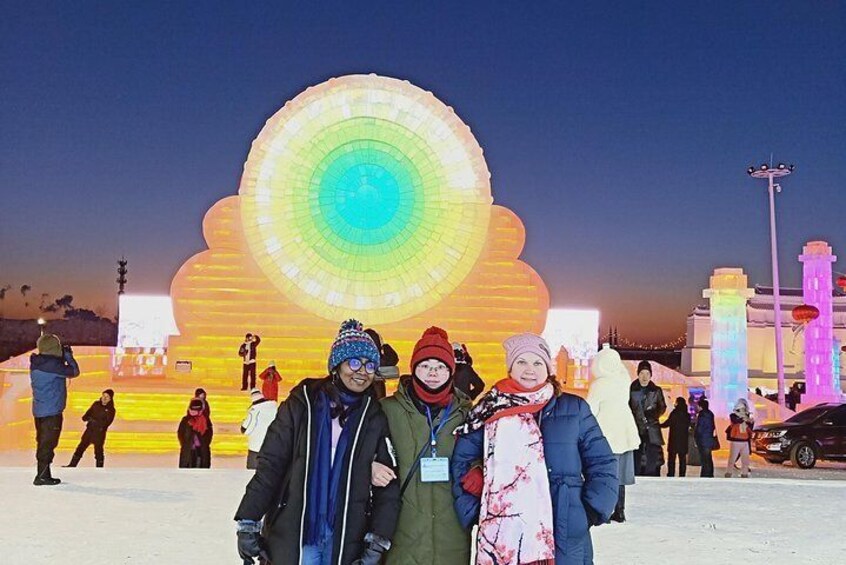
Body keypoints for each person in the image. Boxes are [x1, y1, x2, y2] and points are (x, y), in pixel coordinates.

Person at [234, 319, 401, 565]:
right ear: (336, 365)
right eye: (354, 362)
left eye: (369, 365)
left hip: (346, 537)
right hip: (296, 531)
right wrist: (248, 521)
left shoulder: (372, 415)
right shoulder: (302, 404)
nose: (361, 372)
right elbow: (272, 464)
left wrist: (377, 542)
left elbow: (388, 485)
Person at [452, 333, 618, 565]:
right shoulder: (488, 409)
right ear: (510, 367)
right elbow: (461, 460)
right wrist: (476, 509)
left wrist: (590, 510)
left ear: (548, 368)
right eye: (521, 362)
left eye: (537, 362)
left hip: (564, 525)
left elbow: (602, 462)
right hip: (504, 533)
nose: (530, 369)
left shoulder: (574, 408)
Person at [374, 327, 473, 564]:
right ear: (413, 368)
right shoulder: (387, 409)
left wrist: (478, 469)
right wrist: (370, 466)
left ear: (451, 371)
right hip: (403, 534)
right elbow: (359, 449)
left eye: (440, 367)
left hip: (453, 536)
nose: (432, 373)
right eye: (425, 366)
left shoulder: (467, 413)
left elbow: (485, 455)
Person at [586, 344, 640, 522]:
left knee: (606, 473)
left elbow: (590, 409)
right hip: (624, 431)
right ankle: (620, 510)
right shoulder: (623, 379)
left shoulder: (600, 384)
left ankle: (607, 511)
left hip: (606, 432)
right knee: (621, 475)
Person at [30, 333, 80, 485]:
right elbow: (74, 372)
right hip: (52, 412)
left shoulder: (38, 362)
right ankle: (42, 476)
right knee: (48, 444)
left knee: (43, 442)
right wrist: (68, 356)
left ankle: (43, 474)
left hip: (39, 410)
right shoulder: (53, 366)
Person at [629, 360, 667, 476]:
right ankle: (636, 473)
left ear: (650, 375)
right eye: (642, 373)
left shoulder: (656, 390)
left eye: (647, 374)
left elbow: (662, 406)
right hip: (636, 426)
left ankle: (651, 473)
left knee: (653, 452)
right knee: (636, 452)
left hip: (652, 426)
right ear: (638, 374)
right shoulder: (631, 390)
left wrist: (654, 414)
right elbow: (627, 406)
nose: (644, 377)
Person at [65, 389, 116, 468]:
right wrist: (87, 418)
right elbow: (87, 415)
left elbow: (107, 423)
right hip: (89, 431)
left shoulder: (111, 410)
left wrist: (96, 423)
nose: (104, 398)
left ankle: (99, 468)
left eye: (107, 397)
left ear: (110, 399)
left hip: (99, 433)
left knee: (98, 451)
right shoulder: (96, 404)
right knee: (80, 448)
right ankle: (72, 465)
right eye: (103, 396)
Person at [241, 389, 277, 469]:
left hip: (256, 447)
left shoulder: (254, 411)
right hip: (272, 446)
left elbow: (245, 429)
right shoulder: (274, 408)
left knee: (252, 472)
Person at [364, 328, 400, 400]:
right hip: (377, 395)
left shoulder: (357, 359)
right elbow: (393, 359)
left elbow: (394, 359)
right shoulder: (380, 360)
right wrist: (385, 346)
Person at [660, 397, 691, 477]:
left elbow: (667, 423)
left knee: (671, 459)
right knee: (682, 459)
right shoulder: (687, 415)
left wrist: (658, 425)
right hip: (683, 440)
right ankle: (682, 474)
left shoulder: (674, 413)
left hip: (674, 439)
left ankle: (671, 473)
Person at [178, 398, 213, 468]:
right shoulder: (186, 420)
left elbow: (209, 434)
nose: (193, 412)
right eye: (192, 409)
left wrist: (204, 443)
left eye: (196, 410)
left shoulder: (205, 421)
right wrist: (186, 444)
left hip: (201, 451)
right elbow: (180, 434)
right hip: (188, 451)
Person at [725, 398, 754, 478]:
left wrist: (749, 421)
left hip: (745, 440)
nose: (742, 410)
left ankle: (744, 474)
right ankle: (729, 473)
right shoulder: (733, 415)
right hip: (736, 440)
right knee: (732, 458)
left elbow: (750, 427)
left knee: (745, 459)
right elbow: (736, 421)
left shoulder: (747, 415)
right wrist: (745, 419)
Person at [693, 398, 716, 478]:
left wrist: (695, 436)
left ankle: (705, 474)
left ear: (701, 406)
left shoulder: (702, 415)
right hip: (709, 438)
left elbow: (699, 429)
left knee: (704, 459)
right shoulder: (710, 414)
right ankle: (710, 473)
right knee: (708, 458)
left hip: (702, 440)